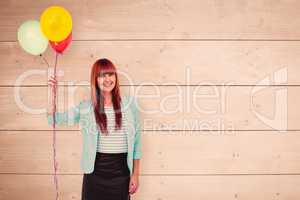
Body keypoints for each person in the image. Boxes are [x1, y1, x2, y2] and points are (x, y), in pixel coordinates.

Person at [47, 58, 142, 200]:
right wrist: (51, 93)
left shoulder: (130, 105)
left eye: (110, 74)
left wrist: (135, 174)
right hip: (95, 173)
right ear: (95, 80)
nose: (107, 79)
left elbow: (137, 142)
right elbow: (53, 119)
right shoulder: (86, 107)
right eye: (102, 75)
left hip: (121, 173)